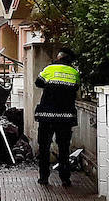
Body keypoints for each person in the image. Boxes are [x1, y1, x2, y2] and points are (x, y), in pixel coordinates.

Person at [34, 48, 80, 187]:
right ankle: (65, 178)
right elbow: (76, 88)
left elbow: (38, 82)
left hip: (46, 116)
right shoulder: (74, 73)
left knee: (44, 147)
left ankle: (43, 178)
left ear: (59, 57)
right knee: (64, 148)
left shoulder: (49, 69)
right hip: (65, 118)